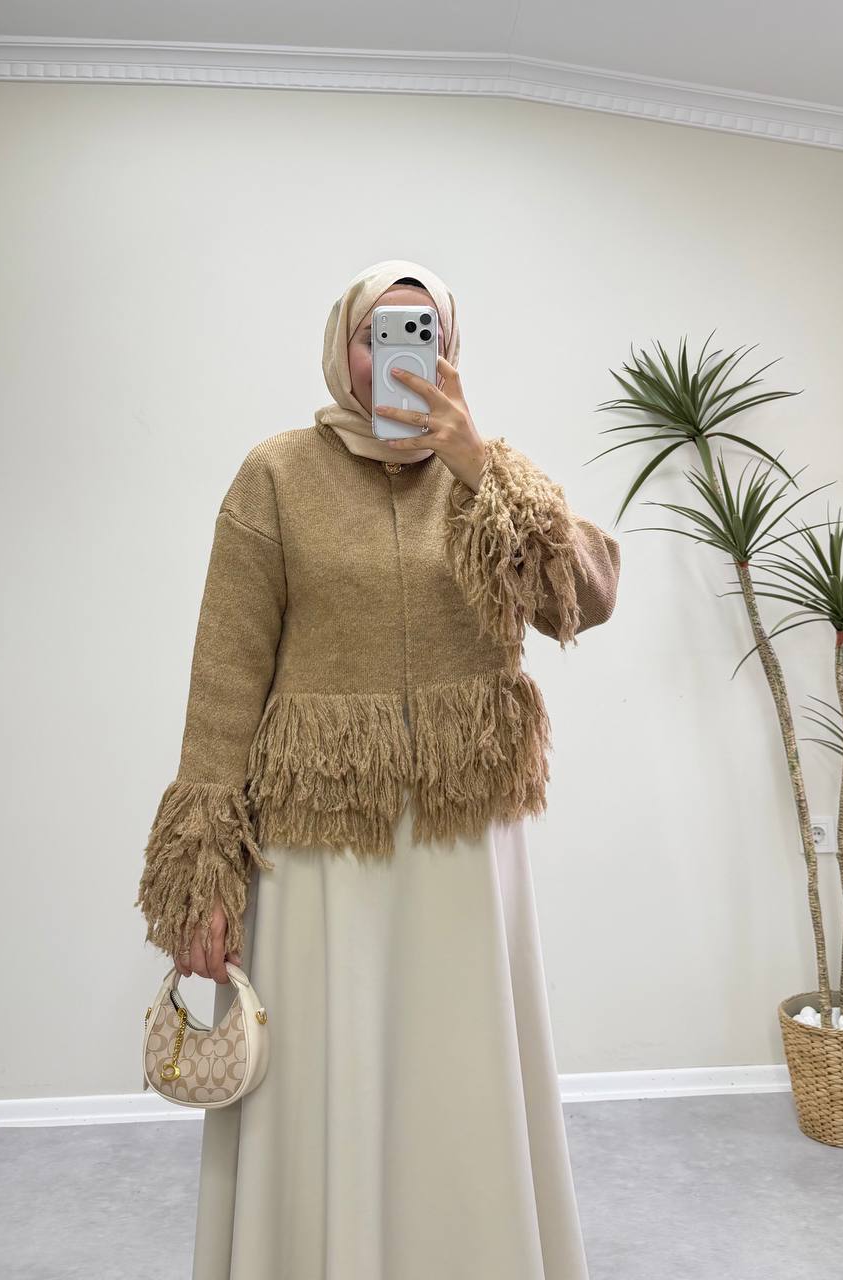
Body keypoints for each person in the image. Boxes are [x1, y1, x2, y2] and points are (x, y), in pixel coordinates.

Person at [135, 258, 622, 1279]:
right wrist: (203, 875)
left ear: (452, 347)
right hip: (323, 849)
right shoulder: (275, 476)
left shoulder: (490, 476)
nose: (398, 354)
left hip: (461, 842)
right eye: (376, 333)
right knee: (330, 1073)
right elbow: (224, 681)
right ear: (342, 348)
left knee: (461, 1072)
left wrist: (482, 466)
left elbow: (586, 598)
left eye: (422, 330)